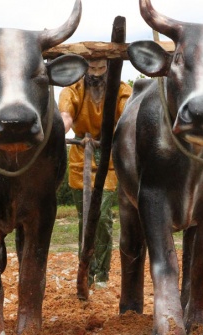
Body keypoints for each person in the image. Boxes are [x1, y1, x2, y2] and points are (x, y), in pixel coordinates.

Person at [59, 59, 132, 288]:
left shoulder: (121, 90)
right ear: (84, 68)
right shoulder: (73, 89)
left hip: (107, 158)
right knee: (85, 219)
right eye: (92, 69)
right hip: (80, 157)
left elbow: (127, 117)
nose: (97, 74)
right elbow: (66, 117)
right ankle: (86, 271)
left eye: (101, 69)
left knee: (102, 217)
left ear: (109, 68)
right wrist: (58, 129)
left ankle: (102, 273)